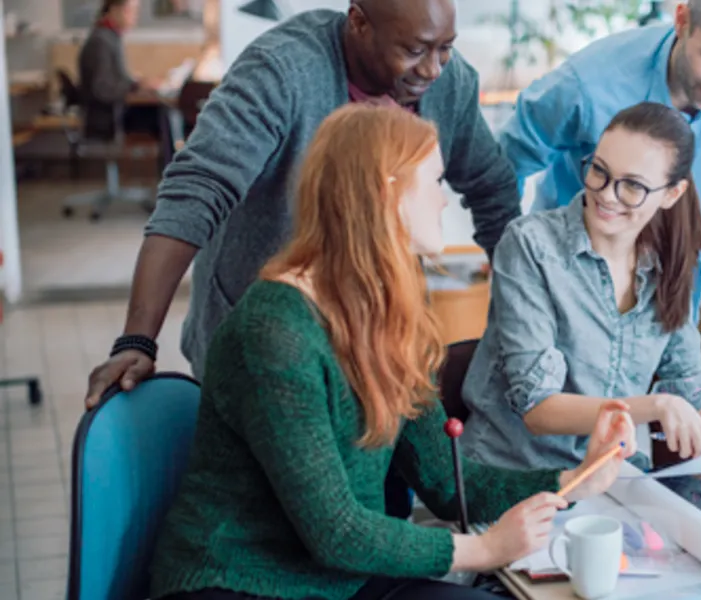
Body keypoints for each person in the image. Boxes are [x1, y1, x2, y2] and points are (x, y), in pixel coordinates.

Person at [148, 104, 637, 600]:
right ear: (389, 193)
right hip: (241, 582)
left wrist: (575, 479)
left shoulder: (387, 308)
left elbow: (447, 482)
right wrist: (484, 549)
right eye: (435, 182)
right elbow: (336, 532)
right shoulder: (275, 332)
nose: (445, 202)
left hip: (340, 579)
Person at [83, 0, 518, 404]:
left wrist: (524, 319)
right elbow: (196, 192)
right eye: (415, 49)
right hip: (266, 338)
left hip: (377, 338)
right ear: (359, 22)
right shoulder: (282, 70)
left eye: (445, 48)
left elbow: (492, 189)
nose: (433, 69)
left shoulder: (449, 81)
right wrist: (137, 338)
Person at [460, 102, 701, 471]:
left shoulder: (666, 265)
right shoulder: (531, 246)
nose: (607, 195)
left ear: (672, 193)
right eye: (599, 170)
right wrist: (657, 405)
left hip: (611, 481)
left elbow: (696, 404)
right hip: (511, 478)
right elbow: (539, 409)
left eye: (633, 186)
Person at [498, 0, 701, 317]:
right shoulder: (588, 83)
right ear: (682, 21)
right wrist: (511, 264)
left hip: (675, 295)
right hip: (562, 286)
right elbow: (504, 165)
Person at [78, 0, 172, 170]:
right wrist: (133, 89)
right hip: (109, 115)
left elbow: (115, 80)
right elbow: (102, 89)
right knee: (166, 116)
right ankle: (171, 178)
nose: (135, 18)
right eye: (131, 11)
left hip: (116, 108)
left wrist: (138, 84)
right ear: (115, 9)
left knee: (166, 112)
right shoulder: (101, 41)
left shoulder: (110, 37)